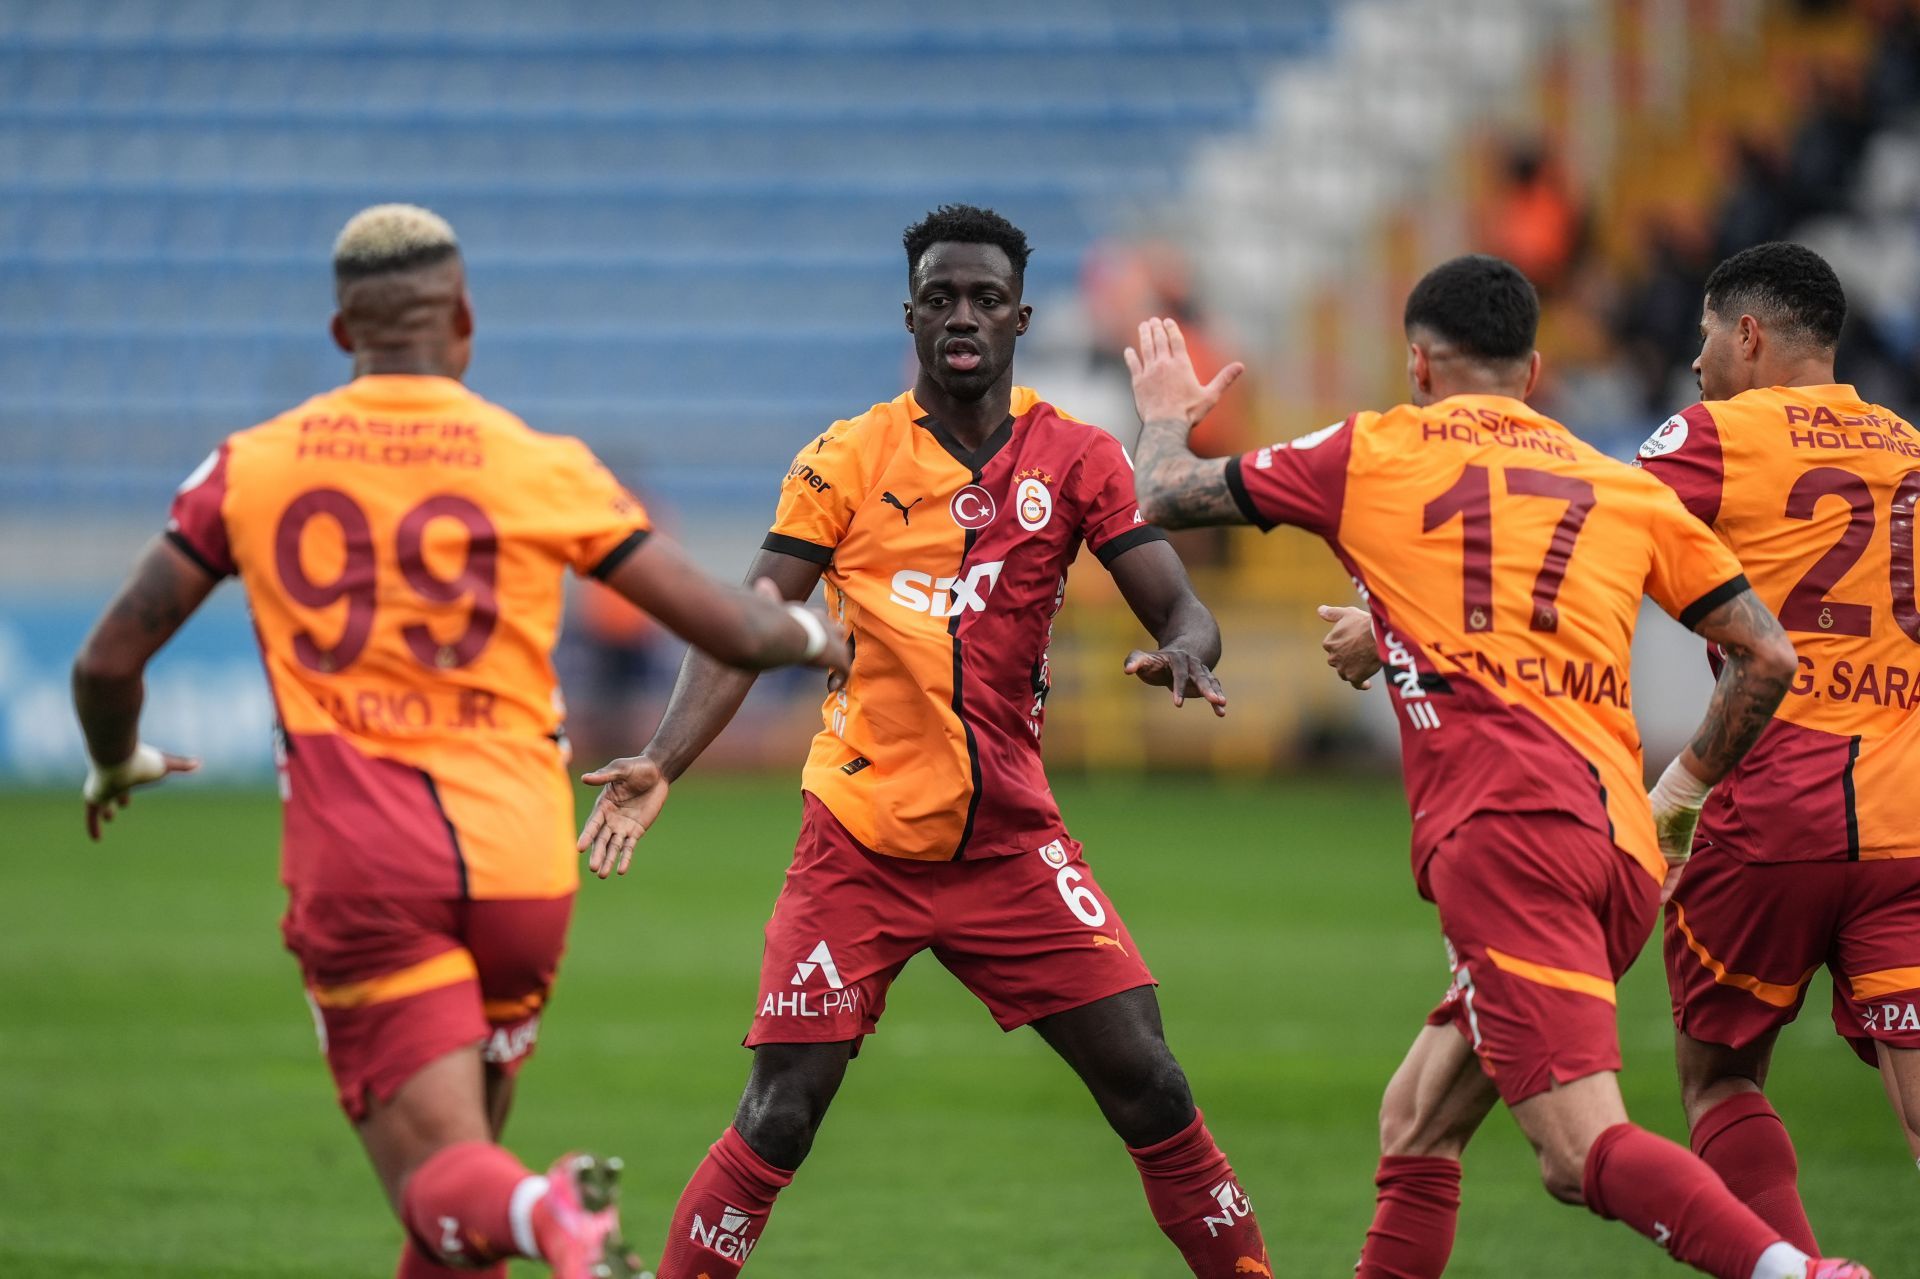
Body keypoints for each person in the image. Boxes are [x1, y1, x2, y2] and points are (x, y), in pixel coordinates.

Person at [70, 205, 849, 1279]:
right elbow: (734, 626)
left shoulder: (251, 466)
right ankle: (526, 1209)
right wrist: (822, 634)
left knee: (446, 1176)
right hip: (525, 865)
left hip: (369, 866)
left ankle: (552, 1210)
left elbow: (108, 663)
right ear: (466, 320)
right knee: (454, 1209)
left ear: (343, 333)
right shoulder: (540, 463)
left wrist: (116, 757)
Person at [1128, 254, 1871, 1279]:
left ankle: (1799, 1274)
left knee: (1578, 1151)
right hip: (1619, 852)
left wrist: (1166, 412)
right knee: (1419, 1117)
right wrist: (1686, 790)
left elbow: (1161, 495)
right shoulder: (1615, 482)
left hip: (1510, 840)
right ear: (1532, 374)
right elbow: (1768, 654)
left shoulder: (1375, 451)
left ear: (1420, 365)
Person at [576, 203, 1268, 1278]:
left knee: (1153, 1082)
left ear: (1021, 317)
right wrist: (663, 759)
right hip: (860, 839)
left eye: (985, 298)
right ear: (909, 314)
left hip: (1011, 845)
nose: (962, 316)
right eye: (940, 297)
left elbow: (1178, 604)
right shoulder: (843, 459)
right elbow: (747, 626)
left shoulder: (1077, 458)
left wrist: (1186, 647)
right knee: (780, 1114)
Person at [1633, 243, 1920, 1247]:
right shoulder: (1909, 448)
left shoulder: (1717, 433)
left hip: (1775, 808)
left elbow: (1581, 522)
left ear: (1747, 334)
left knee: (1716, 1074)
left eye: (1707, 336)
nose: (1699, 362)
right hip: (1910, 821)